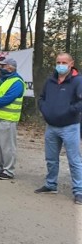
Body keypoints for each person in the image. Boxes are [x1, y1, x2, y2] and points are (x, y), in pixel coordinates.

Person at [35, 53, 82, 205]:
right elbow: (41, 98)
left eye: (64, 62)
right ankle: (50, 185)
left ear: (71, 63)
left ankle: (79, 190)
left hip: (70, 127)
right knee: (51, 158)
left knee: (74, 160)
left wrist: (70, 111)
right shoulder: (50, 80)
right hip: (51, 126)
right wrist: (45, 110)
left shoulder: (78, 81)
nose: (60, 65)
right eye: (58, 62)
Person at [0, 57, 25, 180]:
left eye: (2, 65)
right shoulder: (1, 81)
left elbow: (7, 98)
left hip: (8, 119)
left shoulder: (17, 82)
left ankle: (9, 170)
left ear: (10, 68)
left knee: (7, 146)